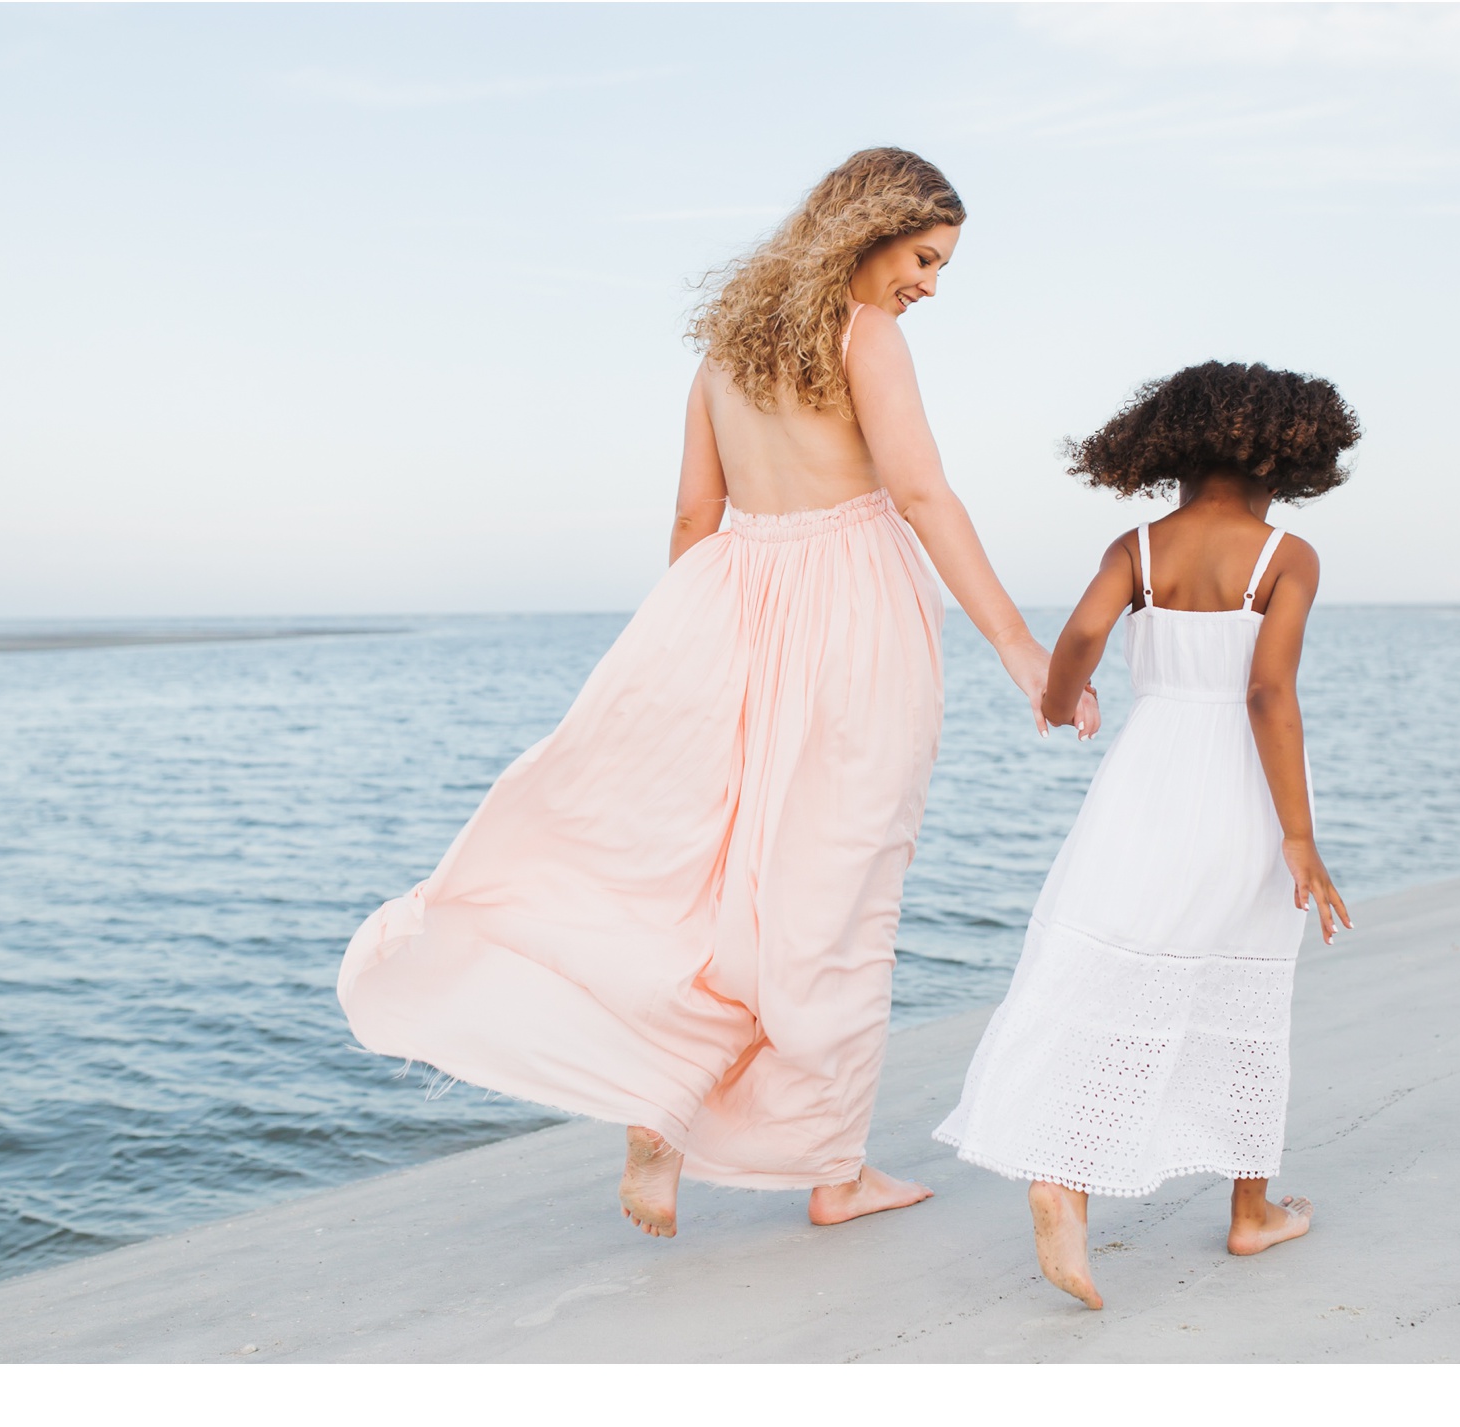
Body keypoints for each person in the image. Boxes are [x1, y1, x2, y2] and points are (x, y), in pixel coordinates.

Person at [338, 147, 1097, 1238]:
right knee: (835, 892)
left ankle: (662, 1104)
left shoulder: (721, 352)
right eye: (924, 257)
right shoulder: (862, 334)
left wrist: (674, 663)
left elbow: (694, 523)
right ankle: (833, 1169)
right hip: (852, 625)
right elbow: (921, 494)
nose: (927, 284)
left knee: (717, 882)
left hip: (733, 612)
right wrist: (1022, 648)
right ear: (868, 231)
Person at [934, 361, 1358, 1308]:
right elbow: (1267, 693)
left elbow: (1079, 637)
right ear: (1291, 456)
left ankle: (1065, 1178)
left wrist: (1061, 696)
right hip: (1240, 788)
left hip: (1144, 775)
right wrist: (1300, 837)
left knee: (1114, 970)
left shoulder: (1137, 544)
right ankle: (1251, 1214)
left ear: (1173, 443)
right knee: (1245, 988)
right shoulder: (1286, 555)